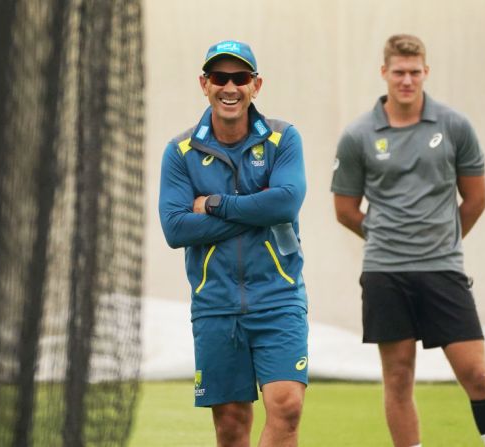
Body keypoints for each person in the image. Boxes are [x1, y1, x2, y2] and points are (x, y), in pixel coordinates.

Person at [331, 34, 485, 447]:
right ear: (384, 73)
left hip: (443, 269)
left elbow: (476, 198)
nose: (407, 80)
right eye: (399, 72)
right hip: (385, 272)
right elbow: (344, 209)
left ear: (426, 73)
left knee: (477, 373)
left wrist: (440, 240)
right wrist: (387, 237)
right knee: (398, 377)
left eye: (415, 72)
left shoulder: (454, 125)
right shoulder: (358, 135)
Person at [159, 40, 308, 447]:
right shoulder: (180, 151)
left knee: (287, 405)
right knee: (230, 427)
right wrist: (254, 213)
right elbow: (175, 229)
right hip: (215, 304)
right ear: (204, 84)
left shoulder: (282, 138)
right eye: (220, 77)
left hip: (279, 297)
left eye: (239, 78)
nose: (230, 87)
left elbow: (286, 201)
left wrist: (215, 204)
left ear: (256, 85)